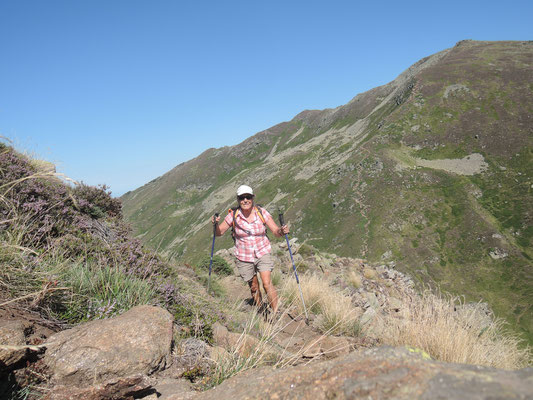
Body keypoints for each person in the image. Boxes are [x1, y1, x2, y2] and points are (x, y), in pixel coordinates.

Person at [212, 184, 289, 314]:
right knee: (254, 286)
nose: (245, 200)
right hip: (243, 255)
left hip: (262, 251)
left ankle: (276, 313)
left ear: (253, 198)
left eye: (248, 197)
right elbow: (219, 233)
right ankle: (261, 309)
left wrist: (282, 231)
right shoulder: (233, 215)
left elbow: (275, 231)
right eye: (242, 198)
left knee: (266, 282)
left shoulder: (261, 212)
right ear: (238, 200)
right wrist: (215, 225)